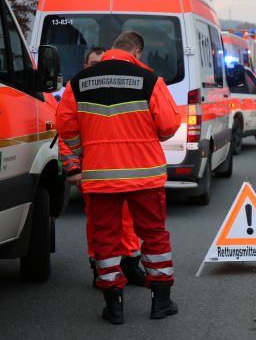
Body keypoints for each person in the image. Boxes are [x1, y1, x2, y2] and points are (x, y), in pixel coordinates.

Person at [56, 31, 181, 324]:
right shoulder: (150, 80)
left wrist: (84, 153)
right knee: (154, 235)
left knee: (105, 239)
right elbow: (168, 125)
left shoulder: (78, 82)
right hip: (144, 176)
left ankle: (114, 306)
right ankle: (161, 302)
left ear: (112, 49)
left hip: (100, 176)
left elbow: (65, 126)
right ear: (136, 52)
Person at [78, 47, 146, 289]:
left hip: (121, 167)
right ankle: (101, 270)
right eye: (94, 64)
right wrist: (73, 167)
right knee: (99, 224)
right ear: (85, 66)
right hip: (94, 170)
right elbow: (66, 131)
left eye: (102, 63)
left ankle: (129, 263)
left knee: (127, 219)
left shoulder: (118, 88)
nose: (99, 69)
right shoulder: (78, 89)